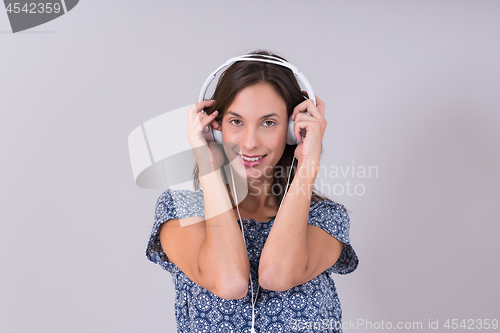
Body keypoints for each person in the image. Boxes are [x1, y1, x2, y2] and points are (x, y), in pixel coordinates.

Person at [146, 50, 358, 333]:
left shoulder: (324, 217)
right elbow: (230, 281)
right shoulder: (182, 207)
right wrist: (208, 168)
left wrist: (309, 164)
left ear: (294, 131)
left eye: (268, 123)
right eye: (236, 122)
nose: (249, 143)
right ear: (216, 128)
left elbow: (276, 275)